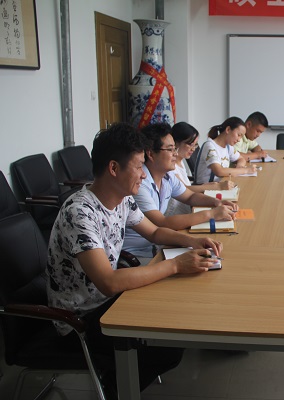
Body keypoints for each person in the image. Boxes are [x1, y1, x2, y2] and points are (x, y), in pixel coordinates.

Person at [46, 122, 223, 399]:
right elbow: (108, 282)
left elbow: (154, 232)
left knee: (175, 321)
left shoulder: (122, 200)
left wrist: (192, 241)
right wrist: (176, 265)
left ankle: (117, 382)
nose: (143, 174)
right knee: (167, 347)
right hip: (80, 320)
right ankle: (115, 388)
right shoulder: (80, 213)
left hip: (108, 302)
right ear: (113, 168)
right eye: (139, 166)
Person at [123, 123, 237, 261]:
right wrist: (211, 214)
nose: (175, 154)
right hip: (137, 255)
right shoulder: (140, 183)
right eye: (170, 149)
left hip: (157, 246)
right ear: (151, 154)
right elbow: (162, 222)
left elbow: (190, 196)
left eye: (175, 149)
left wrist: (217, 202)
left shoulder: (167, 175)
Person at [167, 121, 236, 216]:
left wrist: (211, 190)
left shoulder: (180, 161)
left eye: (195, 145)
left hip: (187, 210)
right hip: (176, 215)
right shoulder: (170, 166)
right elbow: (183, 189)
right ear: (176, 143)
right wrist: (214, 187)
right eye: (190, 144)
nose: (193, 149)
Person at [195, 116, 257, 184]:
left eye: (241, 137)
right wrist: (245, 170)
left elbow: (241, 159)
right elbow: (219, 171)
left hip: (220, 184)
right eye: (239, 135)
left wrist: (240, 166)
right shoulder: (210, 146)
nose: (239, 140)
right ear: (228, 130)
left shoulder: (228, 147)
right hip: (206, 188)